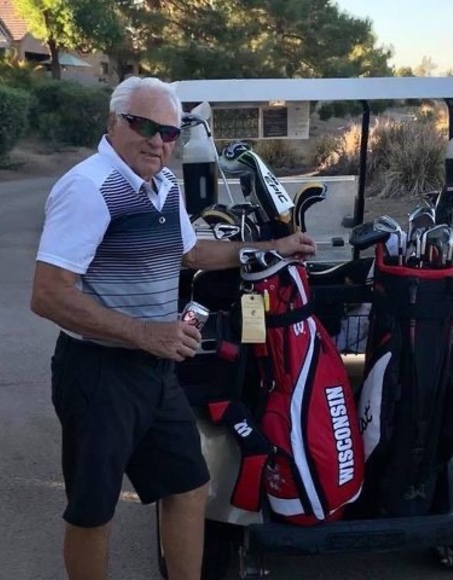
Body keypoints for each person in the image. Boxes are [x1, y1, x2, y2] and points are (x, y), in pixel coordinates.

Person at [30, 76, 316, 580]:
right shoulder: (88, 188)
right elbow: (49, 294)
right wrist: (145, 333)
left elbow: (192, 253)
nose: (157, 141)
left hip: (156, 371)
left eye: (169, 133)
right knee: (94, 511)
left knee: (188, 487)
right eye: (143, 126)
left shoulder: (163, 186)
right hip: (98, 374)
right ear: (113, 123)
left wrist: (271, 248)